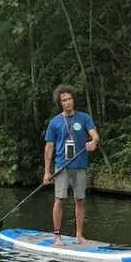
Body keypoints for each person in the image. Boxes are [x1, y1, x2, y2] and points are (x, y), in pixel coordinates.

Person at [43, 85, 99, 244]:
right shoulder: (55, 122)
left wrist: (93, 143)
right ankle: (57, 236)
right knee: (59, 199)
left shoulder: (84, 118)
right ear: (60, 103)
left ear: (73, 100)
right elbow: (49, 147)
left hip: (80, 165)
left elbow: (95, 136)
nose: (67, 102)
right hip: (62, 165)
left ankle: (79, 235)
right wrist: (47, 172)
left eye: (69, 99)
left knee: (80, 200)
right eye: (64, 100)